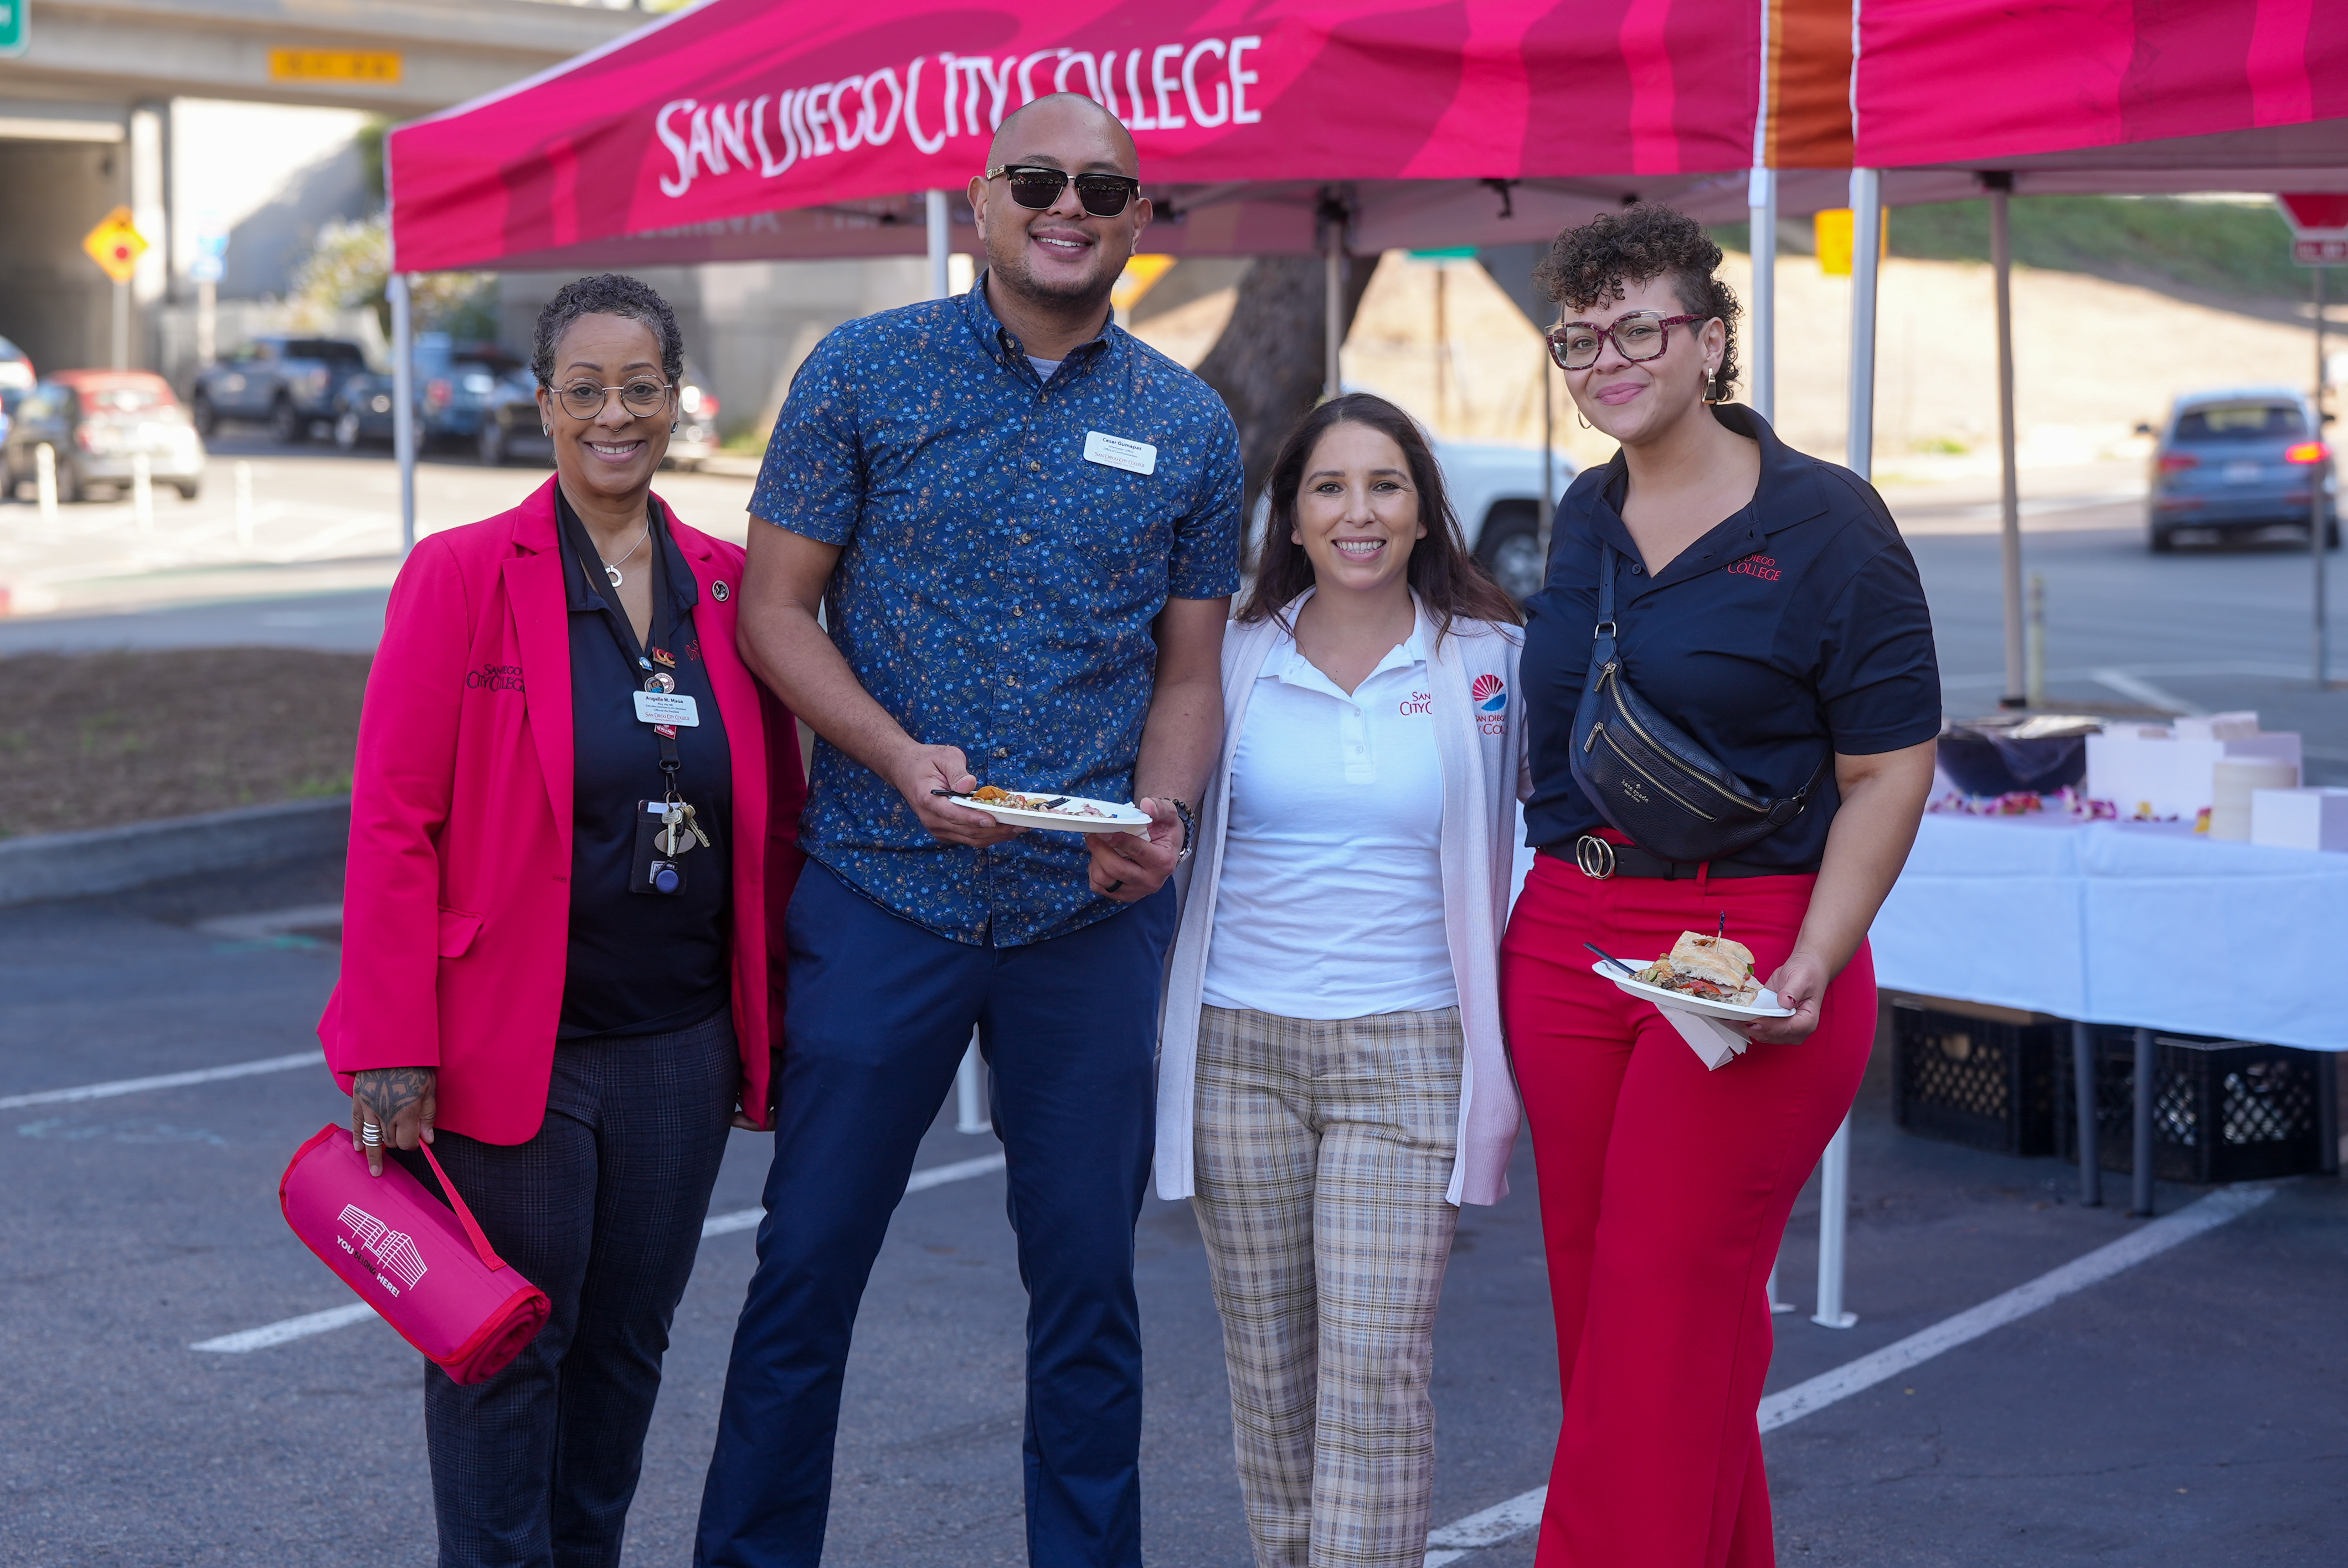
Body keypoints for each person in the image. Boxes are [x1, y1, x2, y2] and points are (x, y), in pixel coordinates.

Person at [694, 92, 1241, 1568]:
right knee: (804, 1267)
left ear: (1140, 216)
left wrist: (1167, 815)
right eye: (1043, 179)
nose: (1073, 205)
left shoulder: (1187, 422)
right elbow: (772, 613)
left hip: (1088, 912)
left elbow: (1189, 673)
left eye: (1106, 187)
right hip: (883, 889)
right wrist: (889, 755)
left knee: (1088, 1298)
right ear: (985, 197)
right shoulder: (865, 370)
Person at [322, 272, 806, 1568]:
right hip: (505, 1050)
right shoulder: (464, 575)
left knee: (625, 1352)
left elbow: (780, 819)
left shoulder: (728, 588)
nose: (614, 414)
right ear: (542, 405)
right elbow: (392, 821)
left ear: (674, 401)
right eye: (584, 389)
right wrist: (390, 1042)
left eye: (638, 387)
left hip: (678, 1048)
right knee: (503, 1349)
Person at [1501, 206, 1940, 1567]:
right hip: (1568, 933)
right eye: (1580, 338)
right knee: (1614, 1314)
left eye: (1639, 329)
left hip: (1747, 950)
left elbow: (1888, 771)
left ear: (1708, 340)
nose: (1606, 361)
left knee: (1660, 1302)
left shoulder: (1827, 524)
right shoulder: (1583, 513)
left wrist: (1817, 952)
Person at [1154, 393, 1525, 1568]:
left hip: (1410, 1051)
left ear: (1422, 512)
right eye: (1328, 487)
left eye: (1383, 486)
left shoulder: (1488, 660)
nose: (1356, 512)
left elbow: (1559, 823)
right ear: (1292, 517)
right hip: (1237, 1051)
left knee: (1372, 1374)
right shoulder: (1234, 651)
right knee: (1267, 1377)